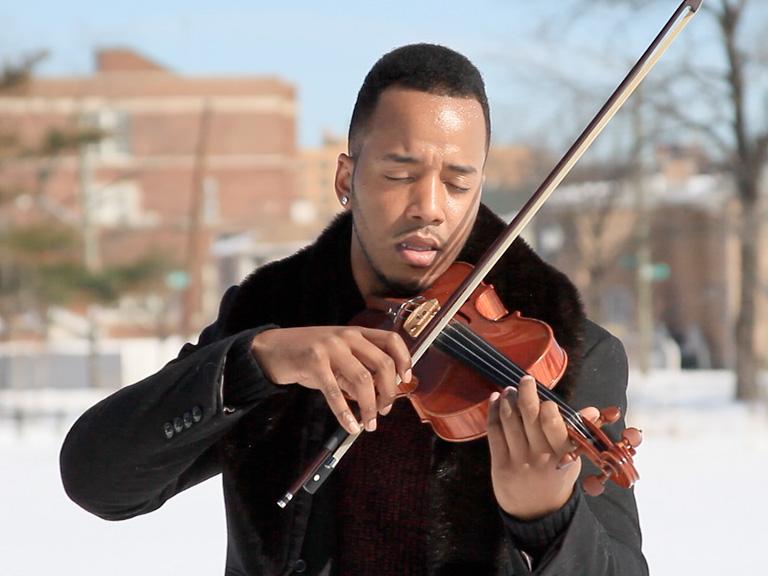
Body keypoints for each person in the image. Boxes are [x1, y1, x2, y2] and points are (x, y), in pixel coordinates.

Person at [60, 44, 647, 576]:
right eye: (400, 174)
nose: (429, 207)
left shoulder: (565, 348)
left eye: (457, 183)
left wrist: (547, 519)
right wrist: (255, 361)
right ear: (346, 178)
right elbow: (99, 481)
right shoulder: (274, 315)